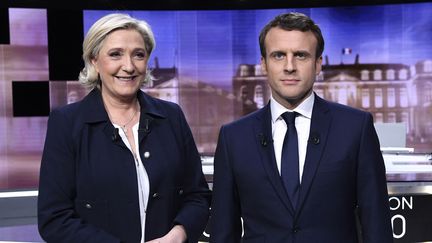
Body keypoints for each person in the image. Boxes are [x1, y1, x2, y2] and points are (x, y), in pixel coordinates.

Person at [210, 12, 393, 242]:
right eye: (278, 55)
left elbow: (376, 224)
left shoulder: (356, 128)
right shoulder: (233, 138)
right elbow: (223, 232)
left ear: (318, 64)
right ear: (264, 64)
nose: (289, 66)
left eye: (301, 55)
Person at [38, 13, 211, 243]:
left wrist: (179, 234)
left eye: (138, 55)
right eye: (115, 54)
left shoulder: (171, 116)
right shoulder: (67, 123)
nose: (128, 66)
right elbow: (54, 219)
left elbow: (198, 196)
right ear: (94, 61)